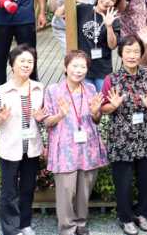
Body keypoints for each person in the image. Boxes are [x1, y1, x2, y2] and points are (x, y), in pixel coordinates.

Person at [43, 50, 108, 235]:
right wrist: (60, 115)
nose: (78, 70)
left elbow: (96, 120)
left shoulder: (90, 89)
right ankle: (67, 227)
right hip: (64, 148)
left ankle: (80, 223)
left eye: (83, 66)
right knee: (66, 190)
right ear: (66, 67)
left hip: (88, 146)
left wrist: (96, 112)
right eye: (74, 66)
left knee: (84, 189)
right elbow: (47, 121)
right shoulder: (53, 90)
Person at [101, 36, 147, 235]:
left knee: (146, 179)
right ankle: (125, 217)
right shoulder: (112, 79)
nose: (132, 55)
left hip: (145, 135)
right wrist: (113, 106)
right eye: (128, 51)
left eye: (136, 51)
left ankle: (142, 214)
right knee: (123, 182)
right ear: (121, 54)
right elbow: (103, 109)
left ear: (141, 54)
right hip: (121, 136)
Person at [0, 44, 46, 235]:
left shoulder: (39, 88)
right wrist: (0, 119)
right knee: (9, 192)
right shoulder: (1, 91)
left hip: (32, 147)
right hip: (10, 147)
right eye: (22, 61)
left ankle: (25, 224)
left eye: (30, 61)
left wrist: (41, 119)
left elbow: (43, 117)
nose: (26, 65)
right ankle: (11, 229)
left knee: (28, 188)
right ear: (12, 64)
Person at [55, 0, 120, 91]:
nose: (107, 1)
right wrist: (73, 1)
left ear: (115, 4)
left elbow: (112, 45)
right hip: (81, 67)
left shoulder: (114, 20)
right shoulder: (83, 9)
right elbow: (58, 14)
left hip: (102, 69)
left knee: (102, 101)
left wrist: (109, 26)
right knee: (83, 100)